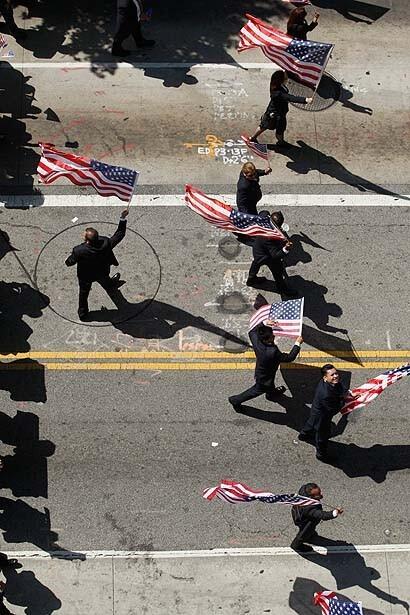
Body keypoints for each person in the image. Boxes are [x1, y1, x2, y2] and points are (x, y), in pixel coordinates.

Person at [65, 210, 129, 321]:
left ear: (87, 240)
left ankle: (83, 313)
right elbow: (119, 234)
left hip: (86, 276)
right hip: (102, 272)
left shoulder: (79, 250)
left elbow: (69, 262)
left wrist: (68, 260)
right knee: (105, 280)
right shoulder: (106, 243)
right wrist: (122, 218)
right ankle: (110, 286)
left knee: (83, 294)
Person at [228, 325, 302, 409]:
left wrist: (264, 323)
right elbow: (289, 358)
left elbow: (252, 332)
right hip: (264, 379)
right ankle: (235, 400)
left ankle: (271, 393)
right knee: (255, 391)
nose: (274, 336)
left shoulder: (257, 342)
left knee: (270, 384)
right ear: (267, 339)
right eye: (272, 335)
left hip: (263, 372)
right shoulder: (272, 352)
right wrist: (297, 343)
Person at [298, 364, 349, 461]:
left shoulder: (328, 382)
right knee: (322, 436)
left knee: (311, 423)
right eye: (332, 375)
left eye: (336, 373)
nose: (336, 376)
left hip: (316, 410)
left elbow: (339, 387)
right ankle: (321, 454)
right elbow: (333, 409)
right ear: (325, 377)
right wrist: (345, 400)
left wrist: (347, 393)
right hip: (322, 416)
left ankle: (303, 435)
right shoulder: (325, 394)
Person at [249, 70, 312, 146]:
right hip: (276, 114)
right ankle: (280, 142)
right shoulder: (278, 93)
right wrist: (305, 100)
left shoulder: (277, 85)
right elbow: (290, 98)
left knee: (264, 126)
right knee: (278, 130)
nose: (287, 78)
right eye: (285, 77)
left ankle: (253, 138)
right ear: (281, 80)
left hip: (276, 112)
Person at [246, 211, 296, 296]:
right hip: (266, 256)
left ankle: (251, 279)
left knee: (256, 263)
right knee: (277, 271)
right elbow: (275, 255)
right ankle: (282, 289)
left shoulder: (264, 218)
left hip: (258, 249)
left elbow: (263, 212)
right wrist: (286, 249)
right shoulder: (269, 238)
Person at [290, 483, 343, 552]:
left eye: (320, 491)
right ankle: (296, 546)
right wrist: (335, 512)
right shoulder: (309, 508)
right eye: (318, 494)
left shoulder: (304, 491)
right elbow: (322, 515)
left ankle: (310, 536)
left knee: (309, 531)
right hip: (305, 521)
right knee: (304, 534)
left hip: (298, 513)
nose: (321, 494)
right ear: (311, 497)